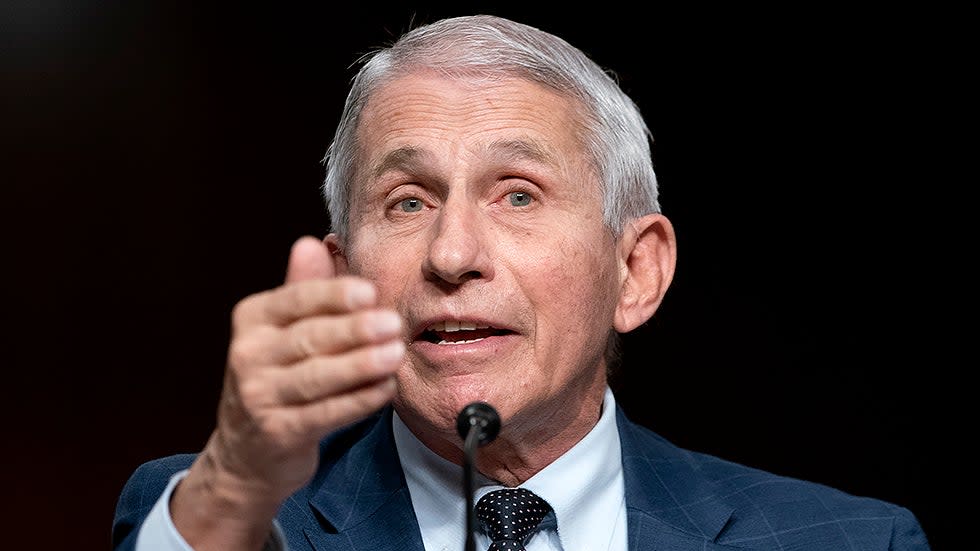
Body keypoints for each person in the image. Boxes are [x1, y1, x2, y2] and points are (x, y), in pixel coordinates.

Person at [112, 14, 931, 551]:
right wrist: (234, 490)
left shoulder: (852, 539)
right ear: (341, 280)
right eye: (408, 200)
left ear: (635, 270)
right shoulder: (219, 515)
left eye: (517, 194)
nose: (452, 252)